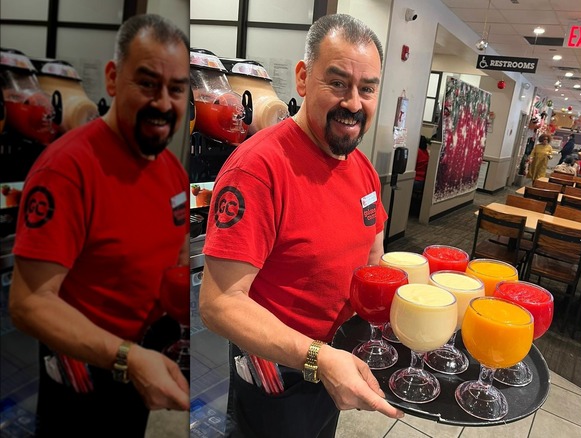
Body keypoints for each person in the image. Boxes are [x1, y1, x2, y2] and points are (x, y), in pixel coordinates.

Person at [198, 14, 403, 437]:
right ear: (304, 79)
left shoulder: (362, 169)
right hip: (278, 372)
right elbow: (219, 304)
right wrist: (318, 358)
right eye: (338, 83)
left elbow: (372, 259)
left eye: (366, 89)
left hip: (334, 359)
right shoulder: (258, 169)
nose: (353, 102)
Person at [9, 14, 190, 436]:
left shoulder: (171, 171)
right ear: (112, 78)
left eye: (176, 89)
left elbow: (174, 251)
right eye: (147, 83)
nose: (163, 103)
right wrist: (126, 356)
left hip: (141, 359)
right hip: (84, 369)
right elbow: (28, 302)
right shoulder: (67, 170)